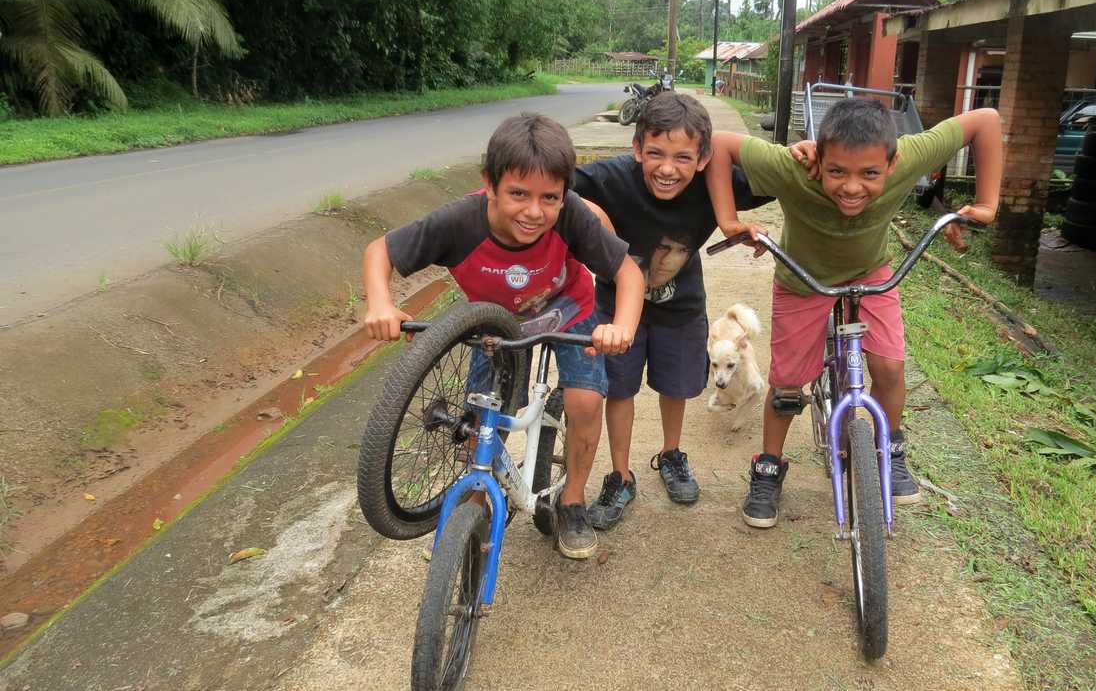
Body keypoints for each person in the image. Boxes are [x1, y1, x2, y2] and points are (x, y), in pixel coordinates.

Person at [706, 98, 1003, 528]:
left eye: (870, 174)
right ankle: (769, 466)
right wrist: (728, 221)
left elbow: (986, 120)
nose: (852, 187)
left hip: (870, 273)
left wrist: (987, 203)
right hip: (802, 278)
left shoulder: (907, 157)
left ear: (893, 161)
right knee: (788, 386)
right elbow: (719, 144)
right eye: (837, 171)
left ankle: (892, 447)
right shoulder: (793, 168)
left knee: (889, 368)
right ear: (818, 159)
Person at [362, 113, 645, 559]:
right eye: (518, 194)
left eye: (549, 198)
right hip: (498, 323)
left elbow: (628, 274)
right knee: (483, 416)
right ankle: (474, 504)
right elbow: (380, 251)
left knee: (585, 401)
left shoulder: (571, 215)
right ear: (489, 184)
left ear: (564, 193)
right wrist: (380, 303)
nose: (534, 212)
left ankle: (571, 500)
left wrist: (623, 326)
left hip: (569, 311)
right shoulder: (460, 221)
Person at [572, 93, 771, 531]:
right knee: (620, 389)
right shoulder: (609, 179)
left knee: (677, 386)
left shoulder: (714, 182)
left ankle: (671, 454)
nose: (667, 168)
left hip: (681, 305)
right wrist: (593, 216)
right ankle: (621, 475)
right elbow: (548, 184)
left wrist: (802, 155)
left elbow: (778, 172)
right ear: (637, 147)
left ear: (703, 158)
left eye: (684, 156)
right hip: (615, 305)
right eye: (656, 153)